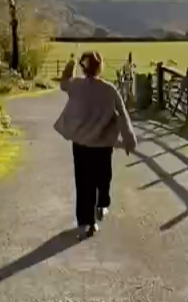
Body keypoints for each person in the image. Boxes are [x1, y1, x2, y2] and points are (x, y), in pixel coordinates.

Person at [54, 51, 137, 238]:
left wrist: (70, 63)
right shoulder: (109, 90)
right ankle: (101, 206)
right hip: (103, 145)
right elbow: (122, 115)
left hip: (81, 144)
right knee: (103, 178)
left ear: (83, 68)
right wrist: (129, 140)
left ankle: (87, 220)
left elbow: (63, 82)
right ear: (100, 67)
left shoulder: (76, 86)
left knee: (83, 182)